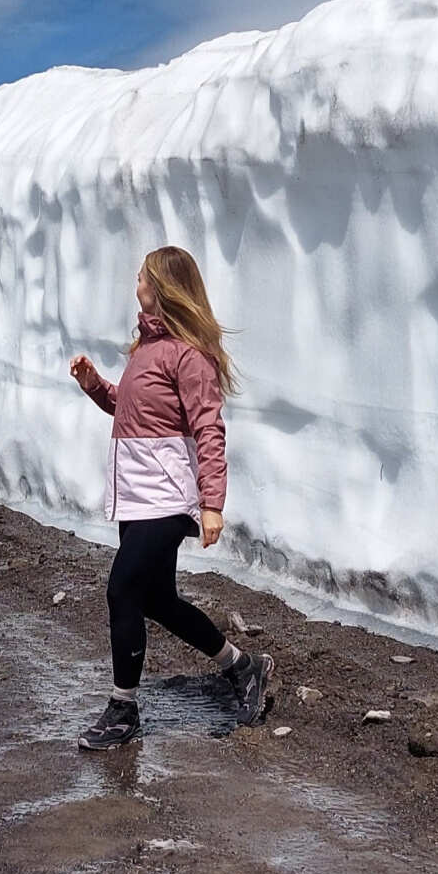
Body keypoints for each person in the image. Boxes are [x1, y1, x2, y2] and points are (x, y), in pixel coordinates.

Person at [69, 245, 274, 749]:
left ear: (161, 287)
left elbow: (208, 428)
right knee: (155, 599)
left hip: (169, 497)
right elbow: (132, 409)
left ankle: (123, 708)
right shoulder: (145, 350)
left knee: (122, 589)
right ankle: (242, 667)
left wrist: (211, 504)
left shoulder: (189, 357)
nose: (135, 283)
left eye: (141, 276)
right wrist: (97, 387)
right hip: (139, 494)